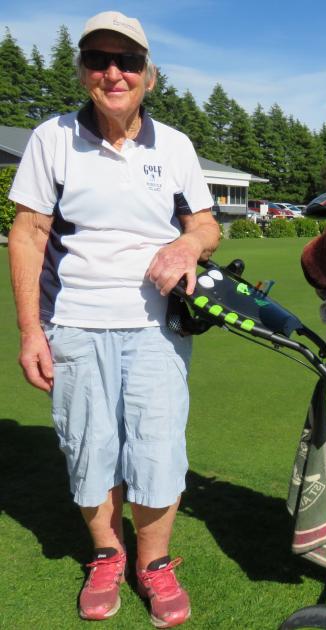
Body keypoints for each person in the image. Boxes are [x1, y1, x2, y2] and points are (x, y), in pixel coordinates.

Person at [7, 11, 220, 628]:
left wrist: (187, 246)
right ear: (82, 72)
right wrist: (29, 332)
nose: (114, 72)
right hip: (73, 322)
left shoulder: (175, 145)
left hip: (157, 329)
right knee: (88, 448)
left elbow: (205, 223)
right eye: (99, 60)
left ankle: (153, 565)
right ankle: (107, 553)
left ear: (149, 75)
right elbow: (28, 234)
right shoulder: (53, 138)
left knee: (156, 449)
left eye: (127, 61)